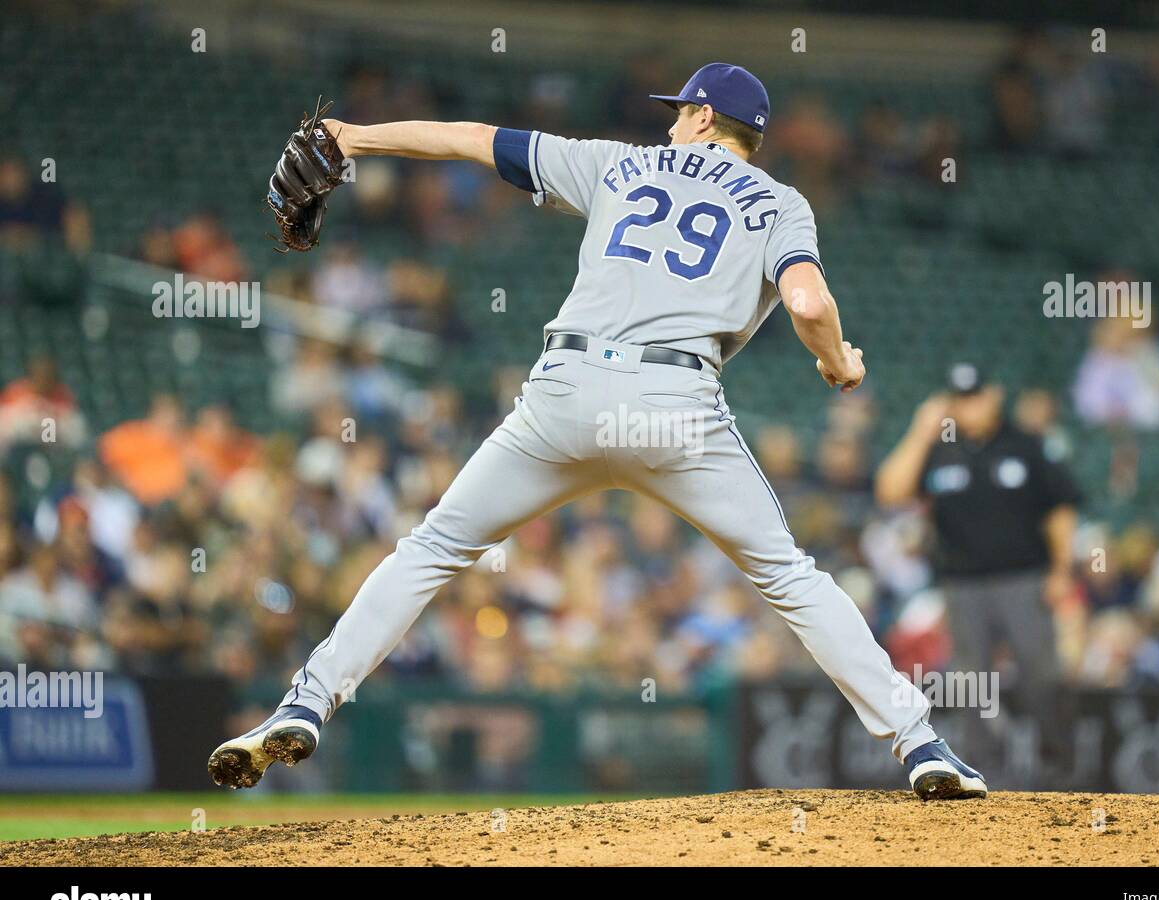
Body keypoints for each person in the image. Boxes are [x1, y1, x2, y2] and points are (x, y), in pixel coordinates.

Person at [209, 63, 986, 800]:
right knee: (790, 576)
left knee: (435, 547)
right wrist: (838, 364)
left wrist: (356, 136)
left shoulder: (618, 165)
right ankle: (919, 744)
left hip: (566, 392)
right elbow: (811, 307)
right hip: (674, 404)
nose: (672, 124)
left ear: (704, 115)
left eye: (680, 110)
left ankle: (305, 705)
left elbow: (475, 139)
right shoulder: (779, 203)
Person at [876, 362, 1081, 781]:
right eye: (960, 399)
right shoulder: (939, 448)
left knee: (1041, 674)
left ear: (994, 396)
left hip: (1023, 579)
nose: (969, 407)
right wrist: (921, 430)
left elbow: (1060, 508)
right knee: (973, 681)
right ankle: (983, 771)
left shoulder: (1025, 444)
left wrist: (1062, 570)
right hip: (962, 583)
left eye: (975, 397)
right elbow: (890, 491)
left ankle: (1059, 769)